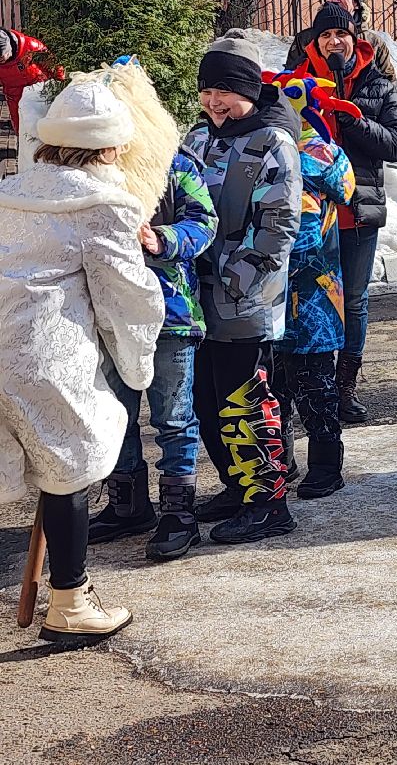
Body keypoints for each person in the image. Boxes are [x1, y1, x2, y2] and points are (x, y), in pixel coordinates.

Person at [0, 76, 166, 641]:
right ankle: (70, 600)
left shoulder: (13, 188)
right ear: (110, 147)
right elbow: (127, 291)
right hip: (48, 352)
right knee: (69, 464)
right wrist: (136, 355)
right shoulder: (105, 204)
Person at [187, 35, 303, 543]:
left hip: (244, 296)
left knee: (246, 401)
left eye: (226, 91)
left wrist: (238, 280)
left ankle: (269, 503)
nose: (215, 101)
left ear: (251, 91)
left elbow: (279, 224)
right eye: (207, 90)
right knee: (205, 400)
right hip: (195, 296)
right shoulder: (195, 139)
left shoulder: (271, 142)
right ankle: (238, 487)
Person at [88, 142, 217, 561]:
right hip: (110, 313)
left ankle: (179, 513)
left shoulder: (176, 166)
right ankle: (128, 505)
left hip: (171, 312)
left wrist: (162, 239)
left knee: (174, 416)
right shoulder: (90, 170)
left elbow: (204, 222)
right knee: (115, 413)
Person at [294, 3, 397, 424]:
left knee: (355, 301)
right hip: (312, 216)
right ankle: (313, 385)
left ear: (353, 37)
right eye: (325, 36)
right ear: (316, 42)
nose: (333, 42)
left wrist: (356, 123)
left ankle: (345, 388)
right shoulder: (299, 82)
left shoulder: (377, 83)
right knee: (314, 299)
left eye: (340, 34)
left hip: (357, 211)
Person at [270, 73, 358, 501]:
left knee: (315, 382)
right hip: (268, 291)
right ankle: (279, 459)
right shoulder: (263, 149)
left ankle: (326, 463)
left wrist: (295, 154)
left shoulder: (320, 152)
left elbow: (344, 185)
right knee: (272, 384)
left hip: (316, 289)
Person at [285, 0, 397, 80]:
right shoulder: (305, 38)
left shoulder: (374, 42)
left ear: (356, 4)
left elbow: (388, 81)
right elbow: (290, 77)